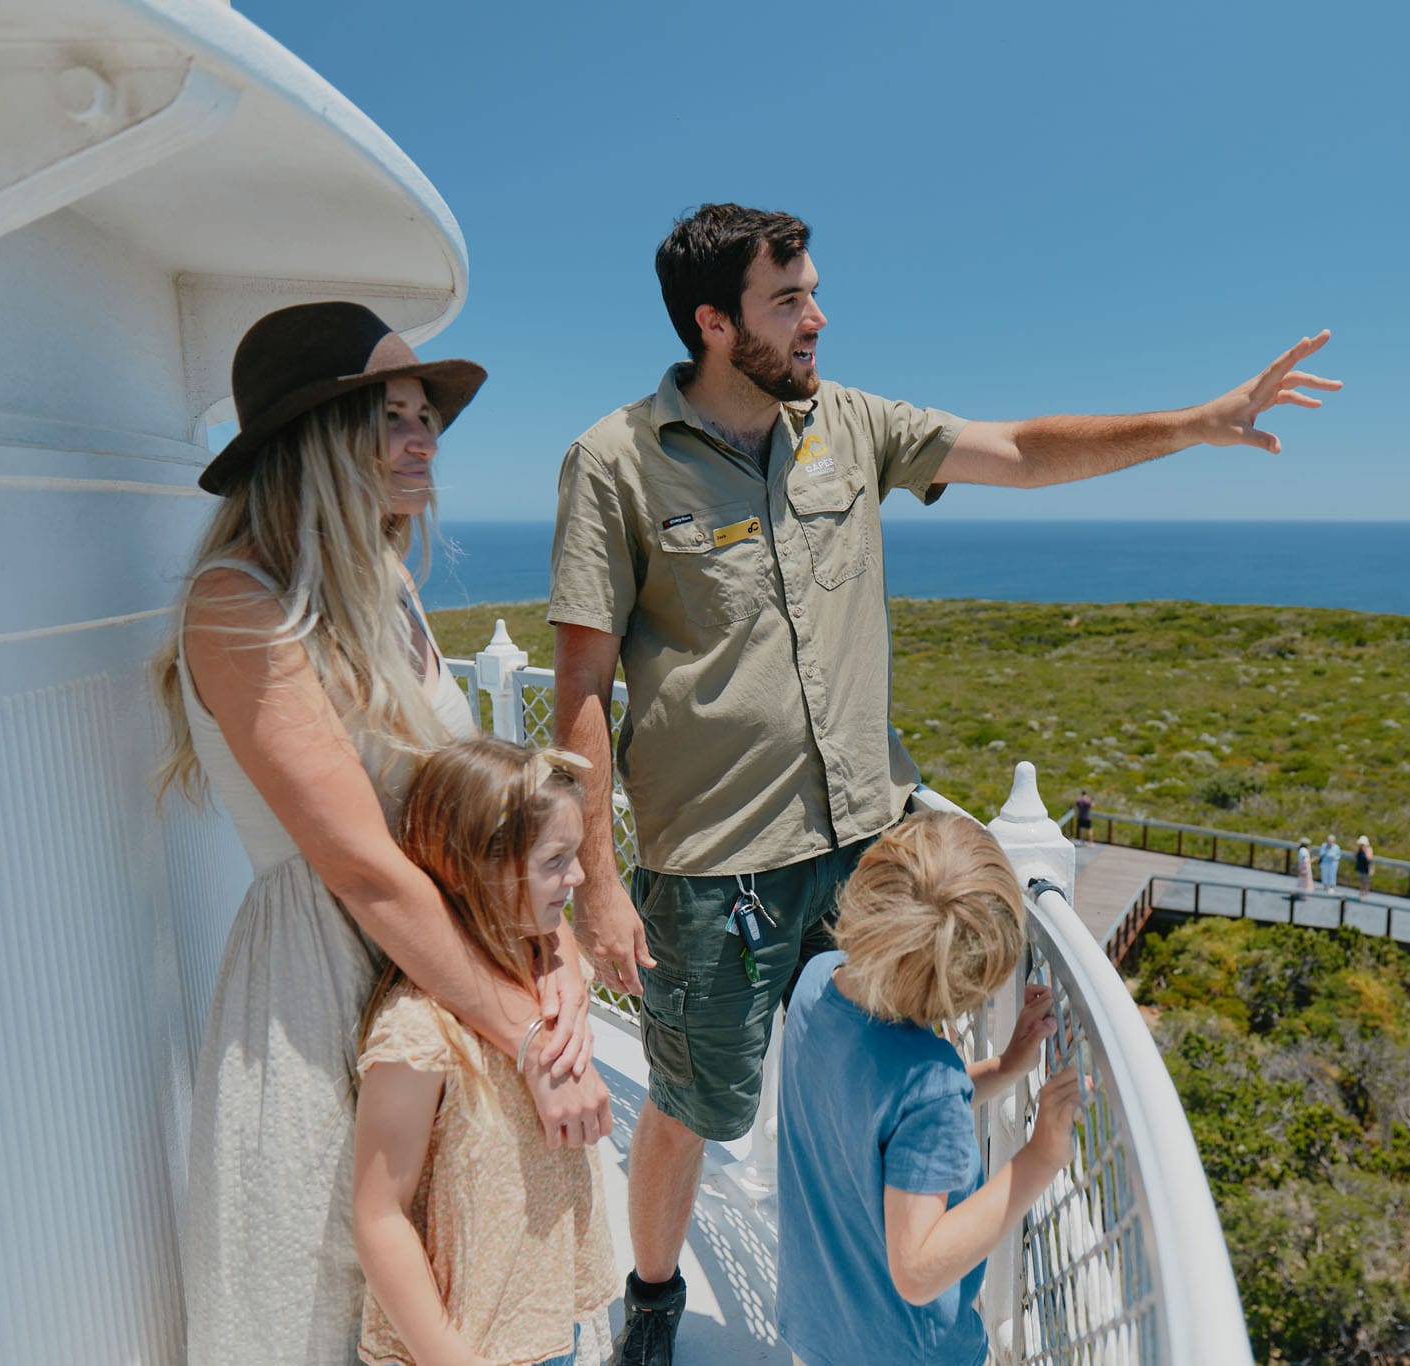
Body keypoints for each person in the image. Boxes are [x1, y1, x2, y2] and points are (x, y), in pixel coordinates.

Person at [545, 203, 1338, 1363]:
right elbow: (579, 684)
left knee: (858, 1073)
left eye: (814, 290)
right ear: (715, 323)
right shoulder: (613, 461)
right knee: (695, 1102)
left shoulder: (851, 424)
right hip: (716, 867)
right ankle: (655, 1295)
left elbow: (1017, 449)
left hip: (871, 851)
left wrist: (1196, 424)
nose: (818, 316)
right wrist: (599, 887)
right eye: (788, 299)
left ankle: (860, 1299)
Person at [154, 302, 601, 1364]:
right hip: (323, 971)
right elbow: (360, 863)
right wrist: (529, 1035)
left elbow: (474, 807)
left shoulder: (388, 585)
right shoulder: (238, 601)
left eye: (424, 416)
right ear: (314, 440)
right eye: (389, 414)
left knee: (457, 1278)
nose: (423, 438)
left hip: (442, 973)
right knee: (324, 1283)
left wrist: (560, 955)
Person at [775, 812, 1081, 1366]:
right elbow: (916, 1271)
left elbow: (876, 1115)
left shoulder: (817, 982)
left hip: (817, 1328)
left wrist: (1006, 1067)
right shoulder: (930, 1082)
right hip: (908, 1352)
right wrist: (1039, 1158)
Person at [353, 738, 617, 1366]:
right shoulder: (419, 1034)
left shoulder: (548, 971)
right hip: (473, 1344)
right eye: (556, 860)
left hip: (553, 1321)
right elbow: (378, 1215)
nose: (577, 877)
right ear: (480, 866)